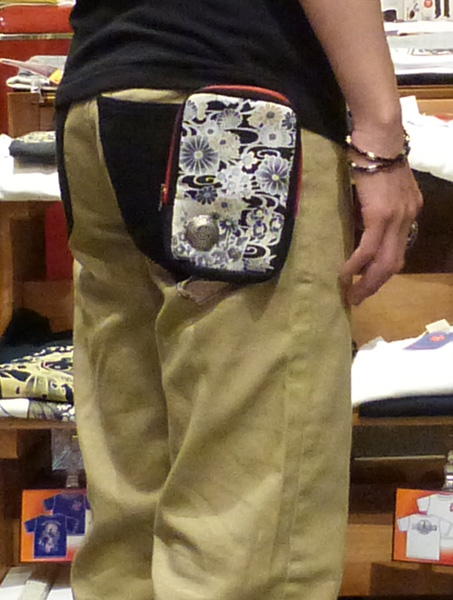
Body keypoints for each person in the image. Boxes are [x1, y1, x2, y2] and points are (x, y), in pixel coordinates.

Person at [55, 1, 422, 599]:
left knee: (131, 513)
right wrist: (381, 137)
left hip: (99, 102)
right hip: (240, 122)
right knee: (250, 536)